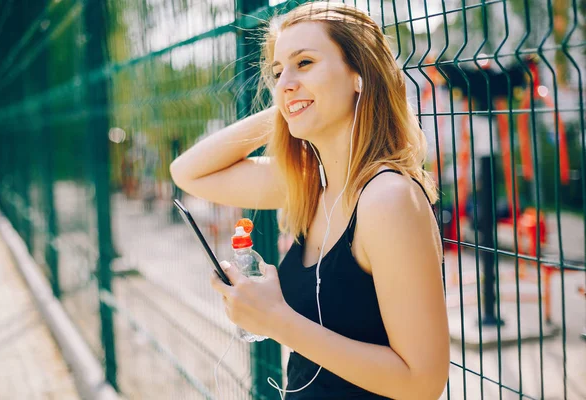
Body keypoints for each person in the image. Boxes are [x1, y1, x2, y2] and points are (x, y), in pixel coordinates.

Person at [170, 2, 449, 399]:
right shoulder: (312, 185)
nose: (284, 82)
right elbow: (187, 172)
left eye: (305, 62)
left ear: (360, 74)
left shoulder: (388, 198)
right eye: (279, 71)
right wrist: (295, 101)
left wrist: (276, 321)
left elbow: (423, 382)